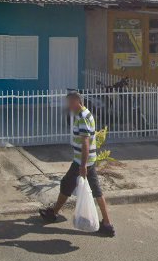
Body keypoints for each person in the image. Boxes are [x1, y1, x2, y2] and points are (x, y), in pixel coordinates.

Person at [39, 90, 115, 237]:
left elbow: (85, 142)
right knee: (70, 185)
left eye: (70, 103)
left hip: (83, 162)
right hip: (84, 161)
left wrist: (83, 165)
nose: (68, 106)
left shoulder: (83, 118)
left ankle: (107, 224)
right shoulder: (84, 114)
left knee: (86, 189)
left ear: (77, 102)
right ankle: (106, 224)